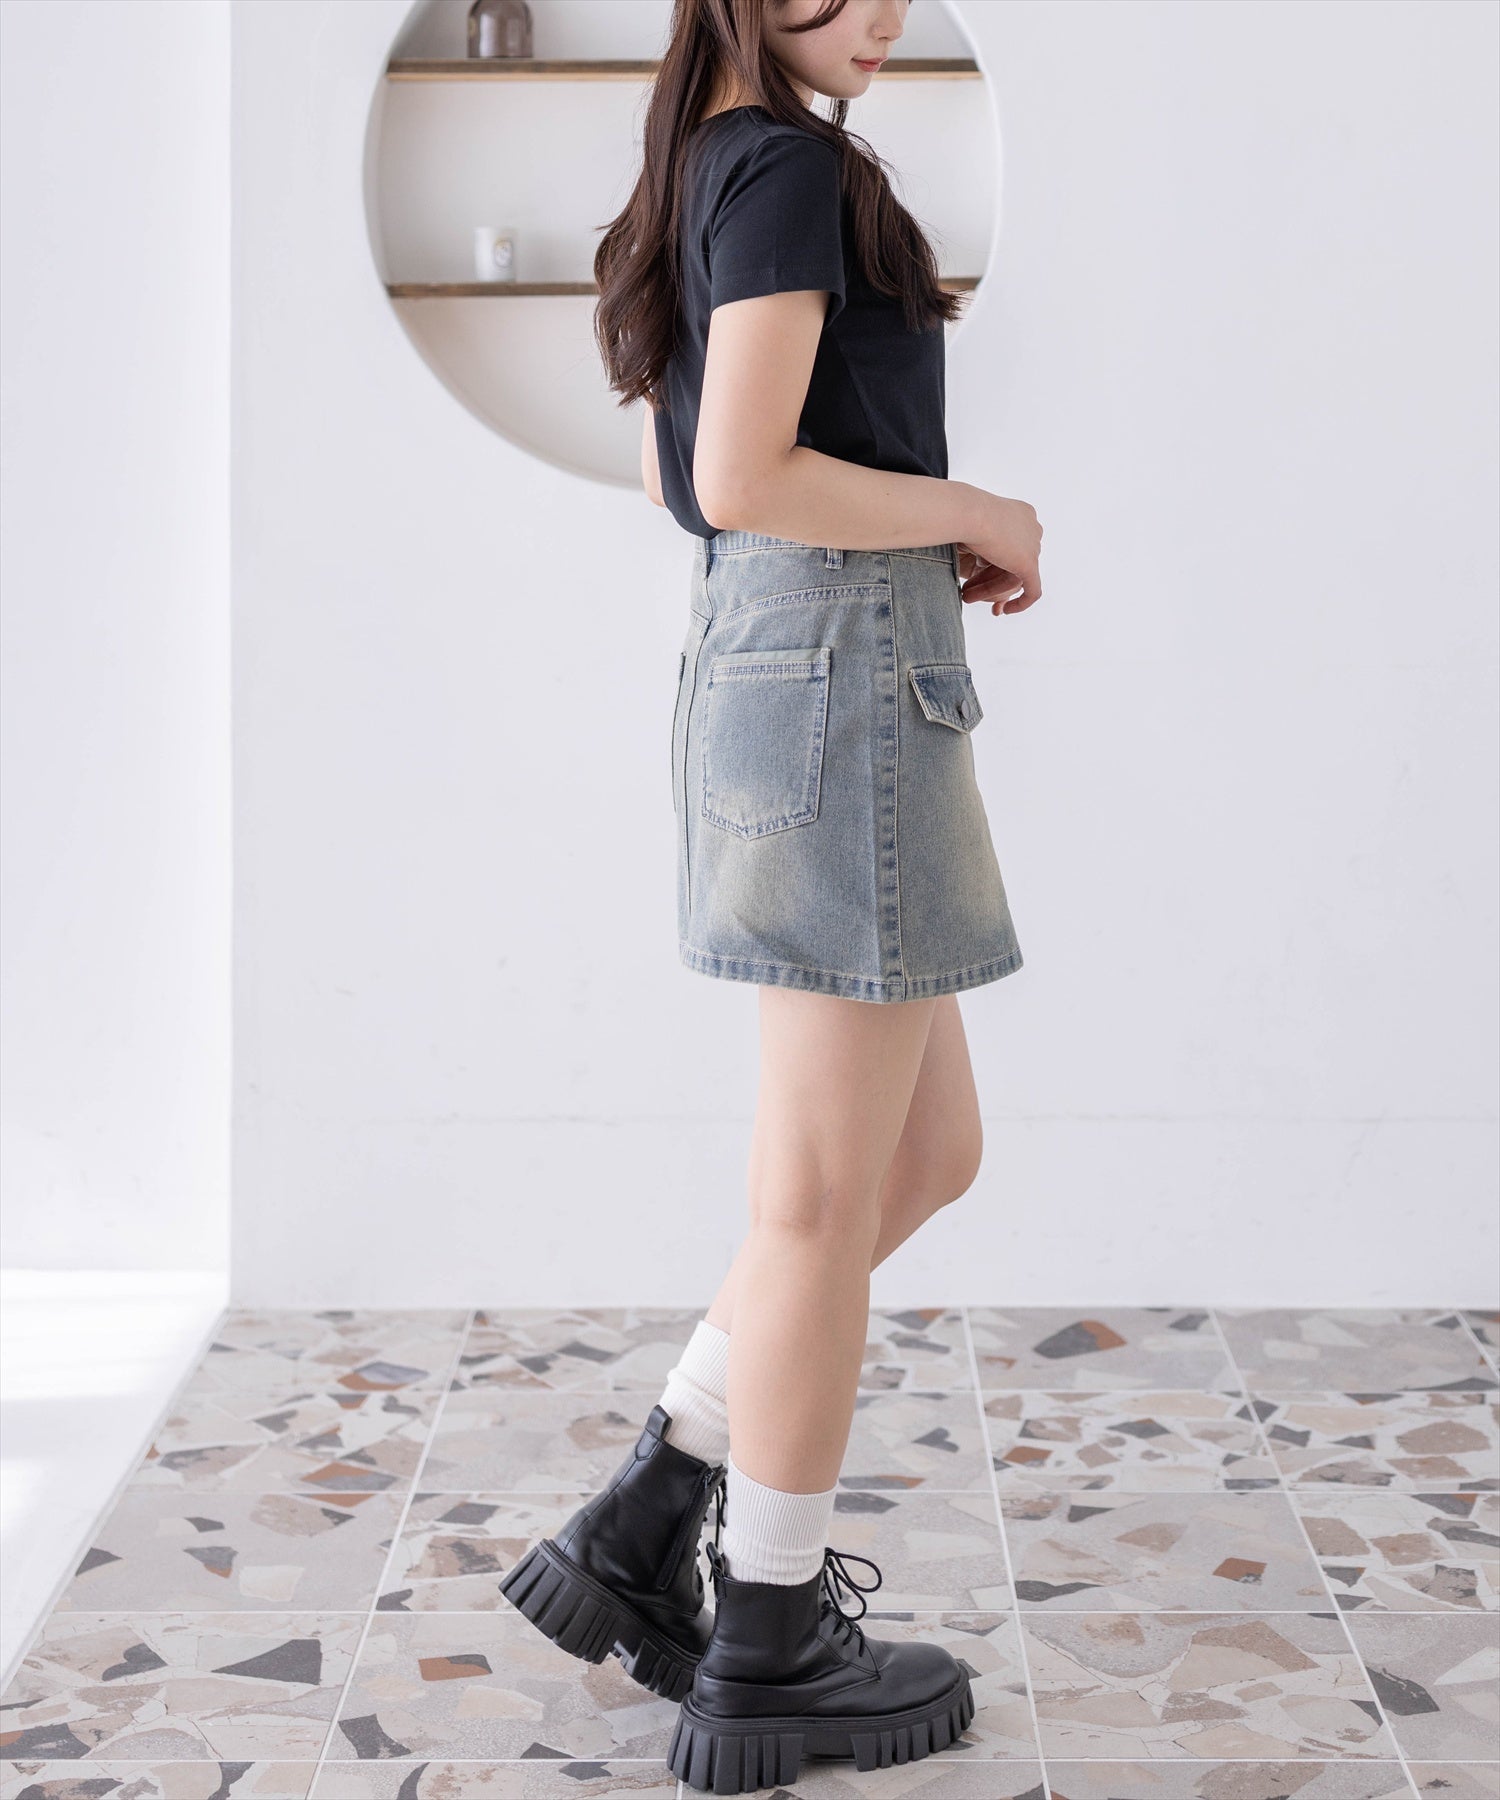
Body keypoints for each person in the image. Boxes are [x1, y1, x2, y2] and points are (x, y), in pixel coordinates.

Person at [501, 0, 1044, 1789]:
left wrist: (924, 528)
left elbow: (705, 479)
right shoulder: (786, 166)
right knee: (816, 1198)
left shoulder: (713, 163)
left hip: (792, 655)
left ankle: (656, 1504)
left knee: (925, 1151)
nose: (884, 10)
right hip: (840, 666)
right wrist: (975, 509)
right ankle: (771, 1633)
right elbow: (742, 474)